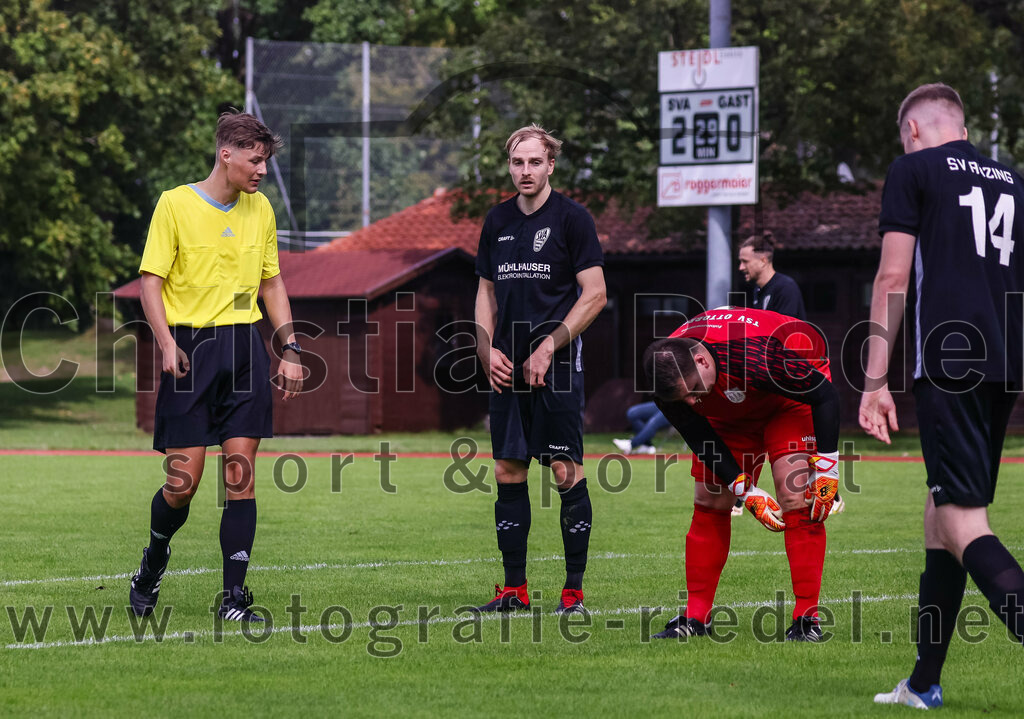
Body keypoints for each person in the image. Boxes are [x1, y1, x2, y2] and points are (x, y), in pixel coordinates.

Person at [860, 83, 1024, 709]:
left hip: (952, 363)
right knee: (941, 517)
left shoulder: (912, 169)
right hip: (1003, 363)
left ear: (914, 131)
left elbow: (893, 275)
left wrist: (874, 382)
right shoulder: (1010, 177)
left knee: (963, 521)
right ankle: (924, 683)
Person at [128, 111, 304, 623]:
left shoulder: (261, 209)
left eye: (265, 162)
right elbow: (150, 282)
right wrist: (164, 343)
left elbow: (272, 283)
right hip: (189, 350)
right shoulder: (175, 204)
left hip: (244, 349)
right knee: (183, 483)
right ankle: (153, 561)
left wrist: (290, 349)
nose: (262, 172)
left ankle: (233, 598)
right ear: (226, 153)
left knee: (240, 475)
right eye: (255, 161)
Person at [643, 306, 841, 641]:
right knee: (709, 499)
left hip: (788, 398)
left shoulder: (755, 352)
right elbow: (698, 434)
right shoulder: (669, 381)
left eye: (692, 390)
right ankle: (695, 618)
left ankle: (808, 620)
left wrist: (827, 470)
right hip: (727, 407)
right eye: (683, 397)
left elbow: (824, 396)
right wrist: (745, 490)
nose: (690, 401)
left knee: (795, 495)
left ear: (703, 362)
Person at [473, 124, 606, 615]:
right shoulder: (496, 221)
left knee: (565, 471)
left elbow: (595, 294)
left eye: (534, 162)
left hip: (557, 367)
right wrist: (486, 349)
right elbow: (485, 293)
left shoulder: (573, 219)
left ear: (551, 165)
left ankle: (573, 593)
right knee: (508, 469)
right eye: (517, 163)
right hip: (507, 367)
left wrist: (550, 346)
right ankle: (514, 591)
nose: (524, 171)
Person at [739, 232, 806, 320]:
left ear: (763, 261)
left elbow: (785, 331)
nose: (741, 267)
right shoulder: (758, 289)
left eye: (745, 261)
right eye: (740, 262)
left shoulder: (785, 287)